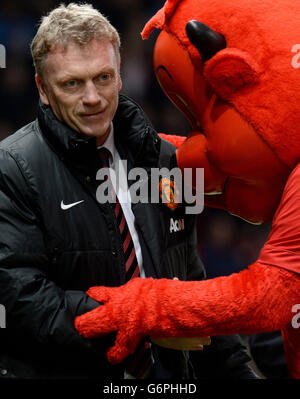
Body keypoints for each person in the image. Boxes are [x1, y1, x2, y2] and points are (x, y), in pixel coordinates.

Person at [0, 3, 258, 379]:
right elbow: (22, 303)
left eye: (103, 78)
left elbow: (190, 282)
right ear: (42, 88)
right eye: (72, 83)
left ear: (120, 77)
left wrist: (239, 369)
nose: (93, 97)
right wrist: (143, 320)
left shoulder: (164, 159)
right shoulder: (11, 169)